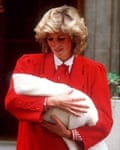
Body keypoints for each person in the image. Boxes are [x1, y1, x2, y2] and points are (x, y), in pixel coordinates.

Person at [5, 5, 113, 150]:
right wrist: (49, 102)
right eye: (50, 39)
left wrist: (70, 134)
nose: (55, 45)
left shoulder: (94, 70)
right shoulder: (28, 63)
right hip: (33, 145)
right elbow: (12, 102)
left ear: (74, 38)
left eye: (61, 38)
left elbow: (104, 121)